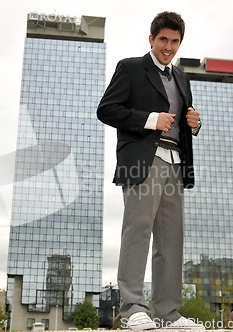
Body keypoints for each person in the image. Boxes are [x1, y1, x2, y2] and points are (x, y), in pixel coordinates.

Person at [97, 11, 204, 330]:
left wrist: (194, 124)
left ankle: (167, 313)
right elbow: (106, 109)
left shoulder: (182, 77)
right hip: (144, 159)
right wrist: (150, 119)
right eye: (163, 40)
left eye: (175, 41)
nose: (168, 47)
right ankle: (131, 307)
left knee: (172, 239)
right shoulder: (130, 68)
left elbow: (183, 118)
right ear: (151, 39)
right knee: (138, 229)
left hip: (175, 162)